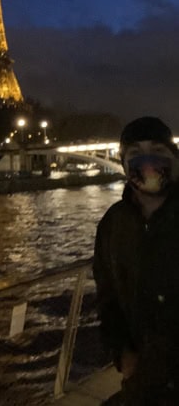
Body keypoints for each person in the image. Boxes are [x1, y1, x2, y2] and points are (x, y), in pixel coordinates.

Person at [93, 116, 179, 405]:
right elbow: (108, 300)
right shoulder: (111, 224)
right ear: (122, 162)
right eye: (135, 154)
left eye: (157, 149)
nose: (148, 161)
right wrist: (122, 355)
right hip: (143, 382)